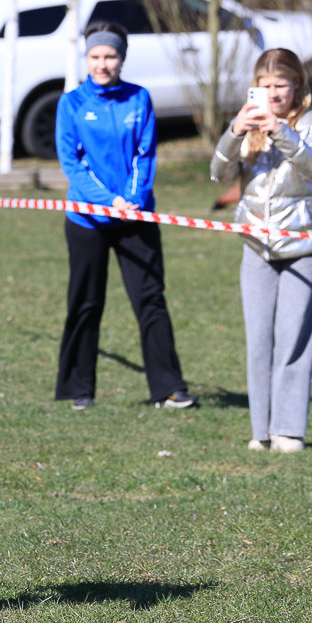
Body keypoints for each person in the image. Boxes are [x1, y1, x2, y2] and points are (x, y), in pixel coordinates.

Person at [54, 21, 196, 411]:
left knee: (150, 299)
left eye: (110, 56)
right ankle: (79, 389)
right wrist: (109, 201)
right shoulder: (71, 104)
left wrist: (132, 200)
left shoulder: (139, 98)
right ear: (86, 58)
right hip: (87, 219)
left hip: (136, 217)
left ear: (122, 58)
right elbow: (73, 165)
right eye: (95, 56)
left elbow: (144, 155)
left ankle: (169, 389)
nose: (102, 64)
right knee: (85, 302)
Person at [210, 48, 312, 453]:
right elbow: (218, 175)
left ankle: (289, 430)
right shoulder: (248, 126)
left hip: (302, 245)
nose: (274, 93)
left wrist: (281, 130)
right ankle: (261, 431)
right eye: (265, 86)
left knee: (294, 338)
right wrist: (235, 131)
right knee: (259, 339)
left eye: (281, 84)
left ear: (297, 84)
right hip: (256, 245)